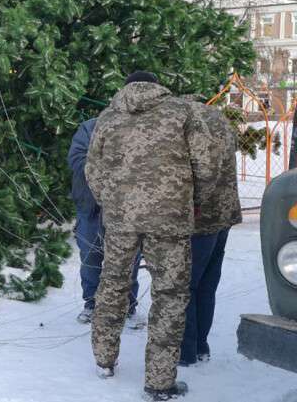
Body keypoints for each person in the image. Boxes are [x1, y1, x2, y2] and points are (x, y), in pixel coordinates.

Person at [85, 71, 217, 401]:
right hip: (169, 219)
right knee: (169, 295)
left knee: (113, 284)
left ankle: (104, 359)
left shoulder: (108, 117)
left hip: (120, 220)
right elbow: (207, 165)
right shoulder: (181, 113)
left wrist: (113, 201)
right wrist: (193, 202)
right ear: (156, 86)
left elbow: (92, 168)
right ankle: (159, 382)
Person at [179, 98, 242, 366]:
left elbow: (195, 170)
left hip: (200, 218)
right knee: (207, 284)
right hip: (225, 213)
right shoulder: (221, 120)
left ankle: (187, 352)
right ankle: (202, 345)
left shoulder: (187, 124)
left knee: (185, 286)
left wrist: (192, 206)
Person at [67, 118, 142, 327]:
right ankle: (92, 304)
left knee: (129, 258)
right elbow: (75, 159)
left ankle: (127, 306)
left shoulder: (136, 127)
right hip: (90, 207)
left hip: (126, 209)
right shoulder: (89, 127)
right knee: (91, 255)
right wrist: (108, 169)